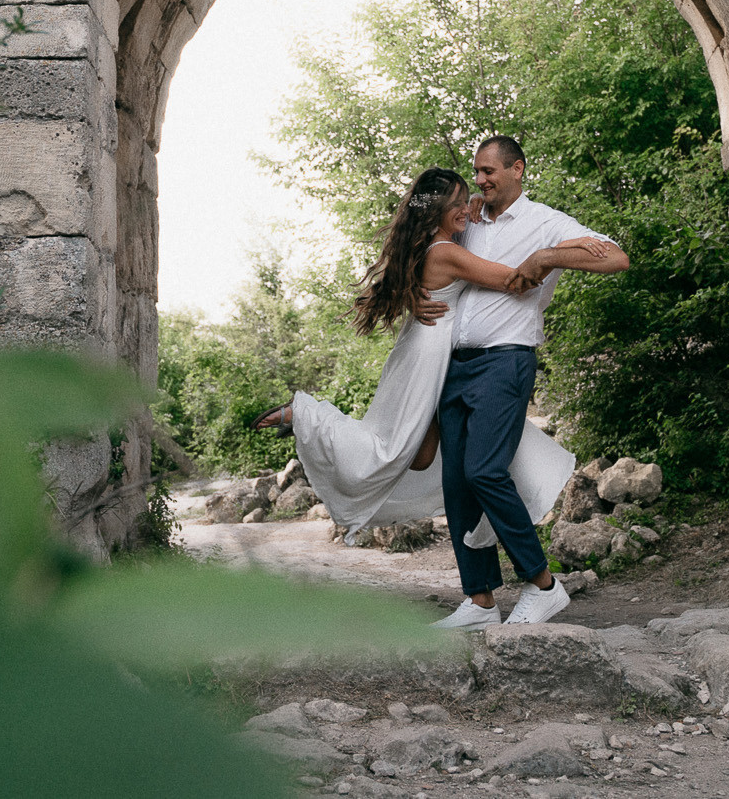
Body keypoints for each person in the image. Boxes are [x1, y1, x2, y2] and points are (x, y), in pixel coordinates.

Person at [245, 167, 592, 567]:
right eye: (458, 203)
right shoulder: (445, 250)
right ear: (438, 209)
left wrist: (474, 208)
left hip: (433, 351)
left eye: (467, 200)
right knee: (393, 449)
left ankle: (485, 525)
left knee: (423, 456)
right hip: (427, 357)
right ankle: (305, 414)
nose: (466, 208)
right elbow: (515, 280)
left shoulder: (434, 241)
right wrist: (557, 253)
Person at [414, 135, 629, 629]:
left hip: (505, 361)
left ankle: (544, 586)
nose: (482, 180)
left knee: (484, 470)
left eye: (490, 171)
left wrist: (548, 257)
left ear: (518, 170)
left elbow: (616, 257)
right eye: (477, 171)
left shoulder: (547, 222)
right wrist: (410, 299)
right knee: (456, 482)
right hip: (451, 364)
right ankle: (480, 601)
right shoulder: (465, 219)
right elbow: (423, 259)